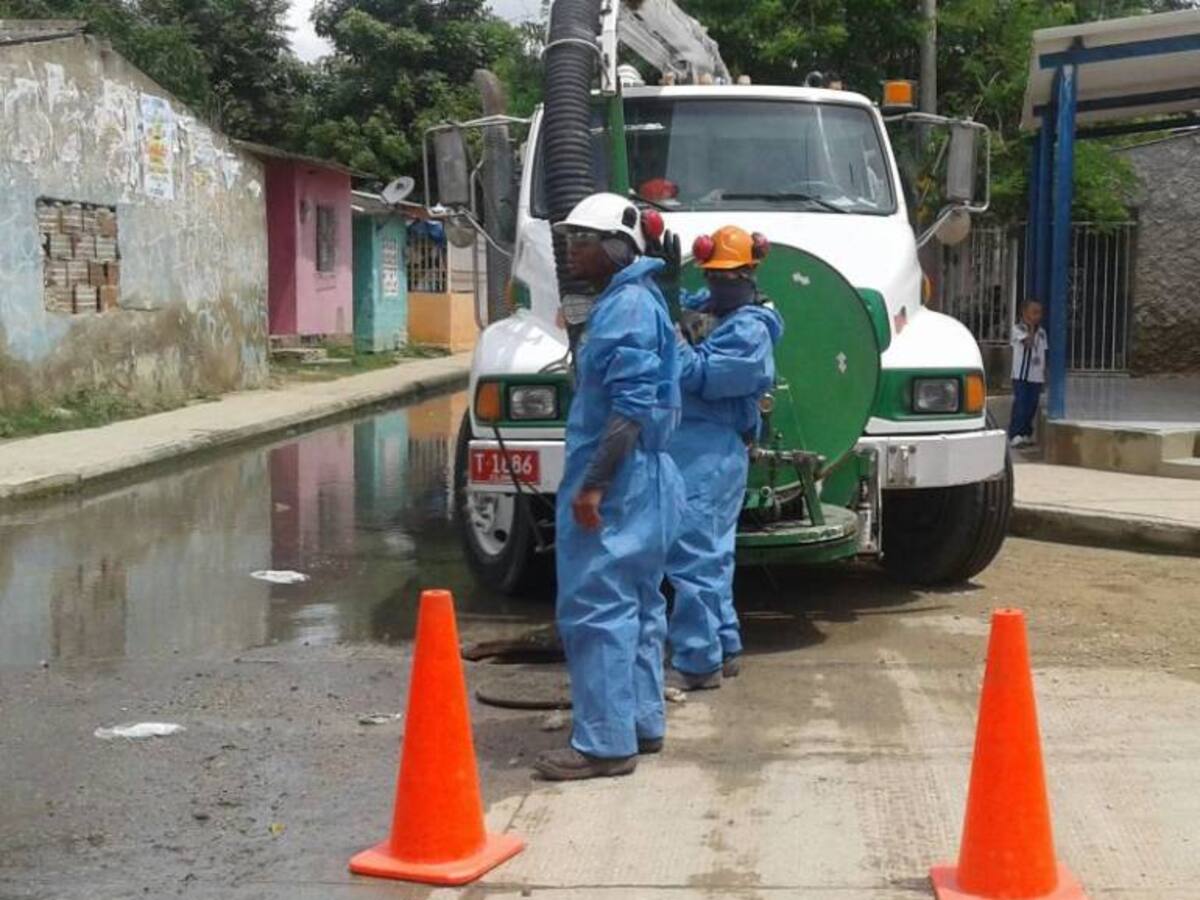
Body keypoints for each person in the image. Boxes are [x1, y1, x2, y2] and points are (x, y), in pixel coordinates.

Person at [534, 193, 685, 781]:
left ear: (619, 248)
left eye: (585, 239)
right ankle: (641, 724)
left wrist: (593, 485)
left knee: (598, 610)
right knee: (641, 604)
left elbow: (628, 409)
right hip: (648, 478)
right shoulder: (641, 300)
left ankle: (603, 744)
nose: (573, 249)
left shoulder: (624, 309)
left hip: (620, 482)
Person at [666, 226, 783, 691]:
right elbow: (688, 303)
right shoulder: (715, 308)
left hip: (712, 452)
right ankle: (725, 645)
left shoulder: (750, 331)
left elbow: (703, 375)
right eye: (714, 275)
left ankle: (698, 661)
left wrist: (672, 337)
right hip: (695, 447)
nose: (719, 284)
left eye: (729, 276)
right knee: (711, 555)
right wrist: (666, 287)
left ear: (750, 274)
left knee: (694, 555)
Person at [1009, 298, 1047, 448]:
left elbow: (1043, 353)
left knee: (1032, 404)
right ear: (1025, 313)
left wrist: (1045, 375)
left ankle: (1026, 432)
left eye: (1040, 312)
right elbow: (1028, 343)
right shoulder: (1018, 329)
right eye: (1034, 312)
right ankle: (1015, 434)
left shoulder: (1042, 332)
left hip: (1036, 375)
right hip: (1021, 375)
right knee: (1021, 404)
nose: (1038, 316)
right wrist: (1031, 327)